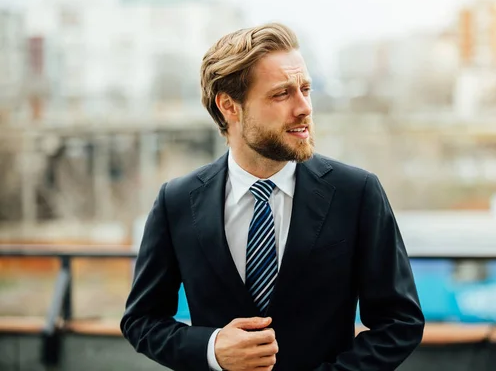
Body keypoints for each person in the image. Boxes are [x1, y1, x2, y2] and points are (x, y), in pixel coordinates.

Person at [120, 22, 424, 371]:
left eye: (305, 89)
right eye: (282, 94)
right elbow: (141, 320)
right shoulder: (177, 201)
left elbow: (400, 322)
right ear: (229, 107)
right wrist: (212, 349)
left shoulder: (356, 193)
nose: (304, 107)